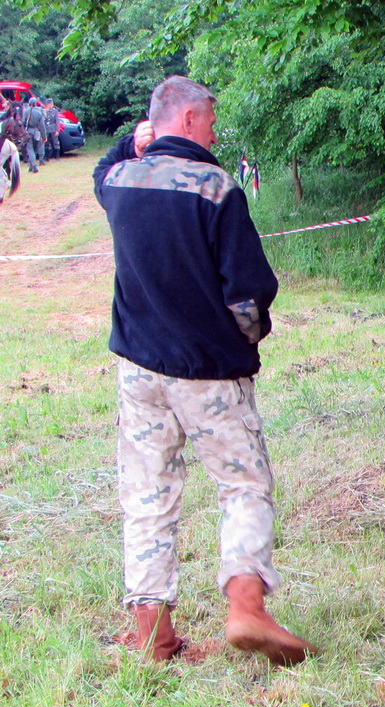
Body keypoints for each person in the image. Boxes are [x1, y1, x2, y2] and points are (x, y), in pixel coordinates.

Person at [94, 76, 316, 664]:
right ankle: (246, 609)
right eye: (211, 120)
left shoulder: (122, 179)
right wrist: (249, 338)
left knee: (147, 495)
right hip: (209, 372)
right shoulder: (216, 187)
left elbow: (101, 173)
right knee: (243, 484)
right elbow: (249, 291)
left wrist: (129, 142)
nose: (215, 132)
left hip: (139, 370)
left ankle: (153, 634)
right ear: (188, 118)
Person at [22, 97, 45, 170]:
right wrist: (44, 136)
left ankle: (33, 166)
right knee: (33, 150)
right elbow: (42, 126)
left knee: (30, 149)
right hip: (37, 132)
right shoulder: (39, 112)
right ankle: (32, 167)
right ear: (35, 103)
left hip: (28, 132)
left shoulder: (26, 111)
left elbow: (23, 122)